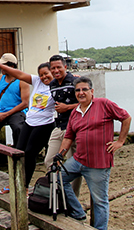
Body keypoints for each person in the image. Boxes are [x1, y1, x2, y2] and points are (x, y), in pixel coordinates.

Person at [54, 77, 131, 230]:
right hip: (78, 160)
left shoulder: (104, 104)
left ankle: (99, 228)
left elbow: (126, 117)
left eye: (84, 89)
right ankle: (78, 212)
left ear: (91, 91)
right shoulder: (74, 113)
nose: (81, 93)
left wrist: (120, 141)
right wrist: (60, 155)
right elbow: (68, 137)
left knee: (99, 201)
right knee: (58, 178)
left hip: (99, 163)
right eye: (78, 90)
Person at [0, 54, 56, 194]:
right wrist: (0, 65)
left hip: (44, 125)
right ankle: (15, 183)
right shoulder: (37, 82)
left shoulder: (57, 85)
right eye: (41, 75)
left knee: (29, 154)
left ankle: (25, 186)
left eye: (47, 74)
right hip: (30, 121)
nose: (44, 77)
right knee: (18, 152)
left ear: (53, 72)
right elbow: (19, 74)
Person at [43, 54, 82, 195]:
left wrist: (67, 107)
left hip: (74, 127)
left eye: (59, 67)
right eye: (53, 68)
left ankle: (73, 197)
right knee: (49, 160)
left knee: (73, 164)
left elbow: (87, 103)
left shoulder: (75, 81)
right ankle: (57, 191)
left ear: (65, 67)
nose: (56, 70)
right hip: (59, 126)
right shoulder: (52, 84)